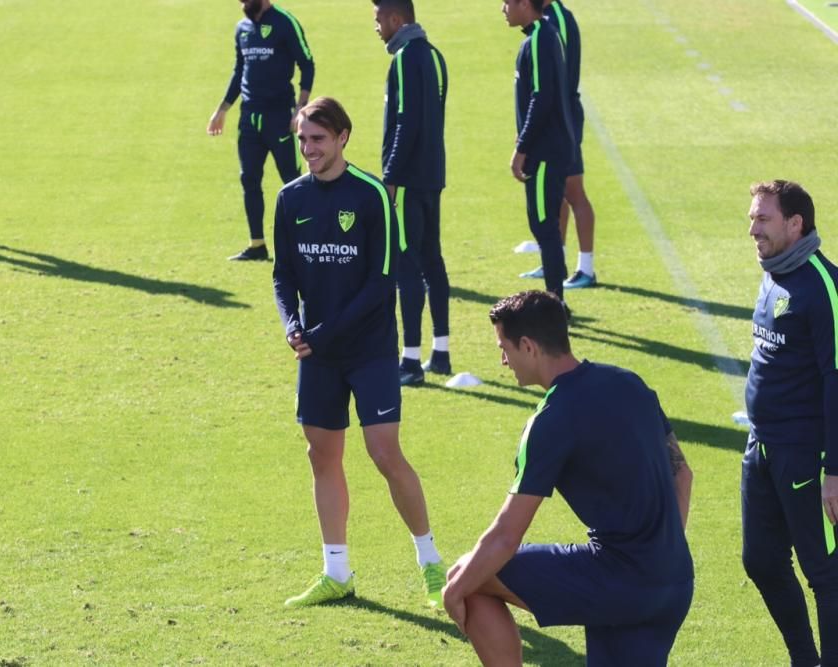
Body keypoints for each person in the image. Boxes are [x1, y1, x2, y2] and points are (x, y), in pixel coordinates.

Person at [442, 290, 694, 666]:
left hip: (618, 580)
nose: (503, 360)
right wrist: (658, 554)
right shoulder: (630, 383)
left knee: (472, 576)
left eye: (504, 348)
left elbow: (506, 536)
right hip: (674, 578)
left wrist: (453, 592)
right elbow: (683, 474)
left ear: (528, 346)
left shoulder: (551, 420)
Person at [272, 97, 447, 608]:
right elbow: (283, 274)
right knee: (321, 455)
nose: (308, 150)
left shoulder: (371, 196)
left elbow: (381, 283)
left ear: (343, 137)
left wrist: (322, 333)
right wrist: (293, 325)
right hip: (318, 353)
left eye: (318, 140)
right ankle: (337, 571)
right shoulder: (290, 198)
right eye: (303, 140)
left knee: (384, 452)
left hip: (367, 350)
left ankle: (431, 562)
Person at [742, 180, 838, 667]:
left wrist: (835, 472)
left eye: (762, 219)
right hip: (760, 448)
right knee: (759, 560)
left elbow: (836, 380)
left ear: (795, 224)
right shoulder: (774, 271)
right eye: (752, 217)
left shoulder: (823, 286)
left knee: (825, 572)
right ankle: (806, 658)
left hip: (804, 454)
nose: (752, 228)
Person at [372, 0, 452, 385]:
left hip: (405, 181)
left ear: (396, 19)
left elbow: (405, 122)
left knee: (407, 267)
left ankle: (410, 361)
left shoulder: (404, 58)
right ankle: (441, 352)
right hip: (433, 176)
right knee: (433, 261)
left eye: (377, 19)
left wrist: (390, 175)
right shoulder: (435, 56)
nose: (376, 27)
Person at [208, 0, 314, 262]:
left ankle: (305, 242)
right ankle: (257, 245)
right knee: (249, 179)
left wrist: (300, 109)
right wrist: (222, 109)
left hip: (279, 117)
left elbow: (307, 64)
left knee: (293, 180)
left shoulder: (285, 22)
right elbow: (239, 70)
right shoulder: (242, 28)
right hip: (249, 118)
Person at [502, 0, 575, 311]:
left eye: (506, 2)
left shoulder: (540, 40)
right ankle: (556, 300)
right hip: (547, 149)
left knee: (545, 225)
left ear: (523, 3)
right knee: (542, 224)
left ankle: (556, 304)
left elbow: (540, 99)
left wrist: (522, 148)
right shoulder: (539, 36)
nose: (502, 8)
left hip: (546, 152)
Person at [520, 0, 598, 289]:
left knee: (573, 191)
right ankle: (554, 259)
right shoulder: (545, 21)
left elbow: (555, 83)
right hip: (557, 121)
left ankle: (586, 268)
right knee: (558, 194)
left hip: (562, 122)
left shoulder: (557, 22)